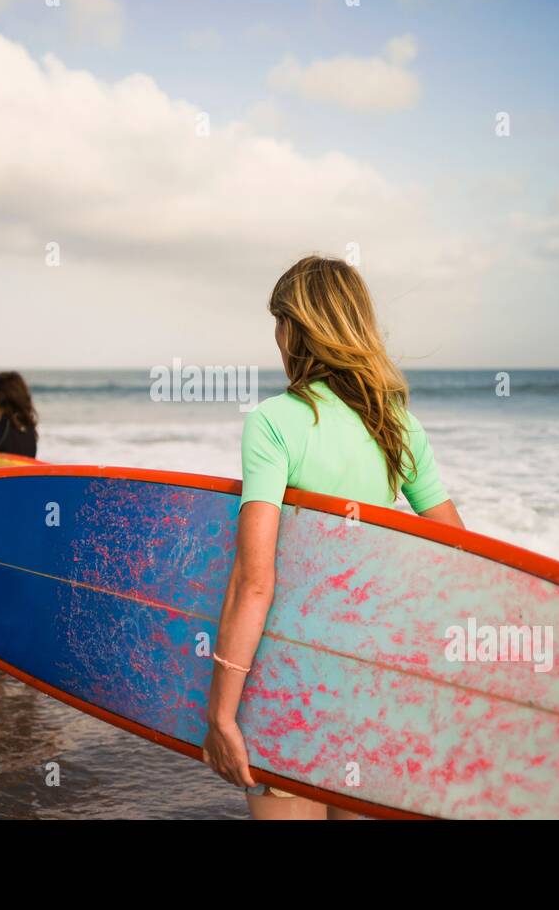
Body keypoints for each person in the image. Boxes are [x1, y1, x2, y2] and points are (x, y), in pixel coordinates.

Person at [201, 256, 465, 820]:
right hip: (375, 684)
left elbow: (254, 580)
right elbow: (458, 556)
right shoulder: (397, 424)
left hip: (291, 687)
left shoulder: (273, 421)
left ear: (297, 329)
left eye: (279, 322)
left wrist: (221, 715)